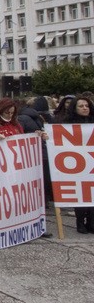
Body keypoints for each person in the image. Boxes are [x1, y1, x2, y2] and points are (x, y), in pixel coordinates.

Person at [64, 96, 94, 234]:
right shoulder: (67, 124)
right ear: (75, 109)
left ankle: (92, 222)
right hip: (77, 164)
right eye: (81, 106)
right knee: (81, 194)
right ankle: (80, 222)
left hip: (91, 162)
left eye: (86, 105)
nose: (84, 108)